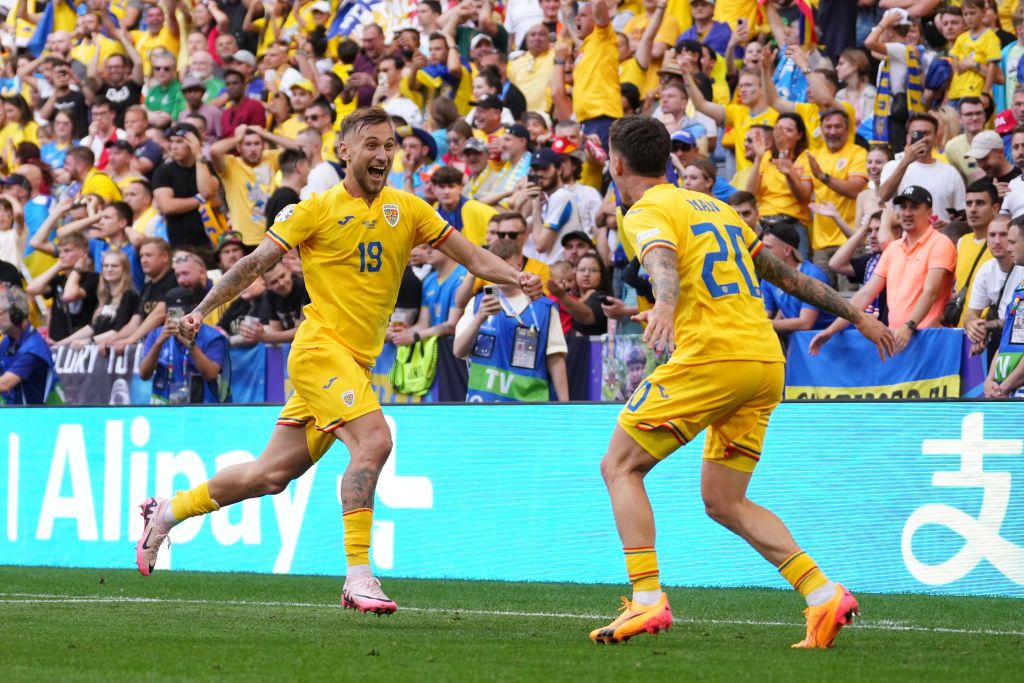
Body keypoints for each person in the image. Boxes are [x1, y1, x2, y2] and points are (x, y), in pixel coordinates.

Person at [133, 107, 543, 616]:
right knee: (374, 441)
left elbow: (476, 258)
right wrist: (200, 310)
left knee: (268, 476)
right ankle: (357, 576)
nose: (383, 154)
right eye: (371, 144)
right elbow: (252, 264)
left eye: (389, 144)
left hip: (354, 363)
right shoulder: (314, 210)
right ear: (344, 151)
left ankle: (167, 512)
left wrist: (514, 278)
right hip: (320, 352)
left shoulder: (409, 209)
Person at [589, 114, 894, 647]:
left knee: (619, 465)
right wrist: (859, 314)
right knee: (724, 499)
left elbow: (659, 256)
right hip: (764, 361)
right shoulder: (718, 207)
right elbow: (785, 275)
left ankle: (646, 599)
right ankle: (823, 595)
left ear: (616, 163)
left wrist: (663, 303)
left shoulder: (645, 209)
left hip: (715, 358)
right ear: (669, 160)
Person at [811, 186, 957, 355]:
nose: (907, 213)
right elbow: (865, 294)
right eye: (903, 207)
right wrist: (831, 330)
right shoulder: (893, 249)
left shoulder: (940, 243)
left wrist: (908, 326)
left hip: (929, 339)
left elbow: (931, 291)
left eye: (914, 207)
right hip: (898, 339)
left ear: (929, 212)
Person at [453, 237, 568, 401]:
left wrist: (566, 406)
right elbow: (458, 350)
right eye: (494, 267)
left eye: (505, 266)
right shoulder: (478, 302)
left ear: (519, 264)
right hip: (483, 405)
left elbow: (555, 360)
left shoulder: (545, 307)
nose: (499, 273)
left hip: (530, 408)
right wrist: (479, 318)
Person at [140, 286, 230, 405]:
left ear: (193, 310)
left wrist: (189, 343)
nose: (180, 320)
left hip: (203, 406)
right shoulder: (156, 334)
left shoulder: (212, 337)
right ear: (167, 313)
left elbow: (211, 374)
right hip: (164, 408)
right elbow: (144, 374)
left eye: (184, 313)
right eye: (174, 313)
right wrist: (159, 342)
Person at [879, 113, 967, 224]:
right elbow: (883, 196)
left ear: (936, 138)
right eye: (916, 134)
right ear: (907, 138)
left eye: (926, 133)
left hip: (940, 237)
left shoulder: (950, 172)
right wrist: (906, 161)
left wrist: (947, 226)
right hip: (904, 237)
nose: (922, 138)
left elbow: (961, 216)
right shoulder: (893, 166)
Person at [152, 122, 220, 253]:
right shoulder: (163, 171)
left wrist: (198, 155)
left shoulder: (207, 166)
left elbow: (206, 190)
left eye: (179, 142)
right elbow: (167, 206)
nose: (173, 147)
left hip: (213, 242)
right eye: (171, 142)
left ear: (194, 143)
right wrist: (199, 199)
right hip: (181, 245)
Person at [760, 221, 837, 334]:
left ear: (787, 250)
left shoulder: (812, 275)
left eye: (767, 248)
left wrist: (761, 324)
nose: (762, 253)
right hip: (799, 341)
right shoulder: (768, 278)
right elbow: (765, 313)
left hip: (829, 341)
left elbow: (805, 323)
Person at [53, 251, 140, 349]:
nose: (109, 269)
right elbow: (93, 327)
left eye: (114, 266)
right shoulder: (106, 295)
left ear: (124, 269)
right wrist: (61, 343)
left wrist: (89, 341)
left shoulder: (129, 294)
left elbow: (118, 330)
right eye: (105, 266)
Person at [965, 216, 1024, 358]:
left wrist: (986, 326)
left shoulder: (1021, 266)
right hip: (1005, 342)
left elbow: (1016, 322)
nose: (997, 241)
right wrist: (976, 331)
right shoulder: (986, 269)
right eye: (992, 235)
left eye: (1003, 235)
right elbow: (970, 315)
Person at [108, 237, 177, 354]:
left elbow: (160, 313)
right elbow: (135, 322)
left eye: (149, 255)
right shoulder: (147, 286)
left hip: (170, 348)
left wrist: (130, 340)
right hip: (149, 348)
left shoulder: (175, 279)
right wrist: (112, 340)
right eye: (141, 256)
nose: (143, 260)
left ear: (164, 257)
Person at [829, 210, 898, 325]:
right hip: (872, 329)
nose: (872, 236)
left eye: (878, 230)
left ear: (897, 232)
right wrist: (863, 229)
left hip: (896, 330)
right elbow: (835, 264)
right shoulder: (872, 261)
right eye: (870, 231)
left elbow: (888, 246)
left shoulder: (903, 257)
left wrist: (887, 217)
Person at [984, 217, 1024, 397]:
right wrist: (990, 380)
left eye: (1013, 242)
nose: (1008, 248)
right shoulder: (1020, 286)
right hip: (1008, 392)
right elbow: (1006, 341)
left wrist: (1005, 386)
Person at [0, 287, 61, 405]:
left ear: (15, 315)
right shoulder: (8, 341)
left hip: (38, 417)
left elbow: (4, 384)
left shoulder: (33, 350)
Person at [431, 166, 498, 246]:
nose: (446, 191)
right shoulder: (434, 211)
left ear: (460, 188)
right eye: (442, 187)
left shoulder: (475, 208)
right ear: (433, 189)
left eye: (451, 186)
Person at [548, 250, 609, 336]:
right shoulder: (565, 295)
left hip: (592, 347)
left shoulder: (600, 297)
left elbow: (587, 316)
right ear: (575, 273)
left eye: (593, 270)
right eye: (582, 270)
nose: (586, 274)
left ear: (602, 274)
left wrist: (562, 295)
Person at [265, 149, 311, 231]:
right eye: (307, 165)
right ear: (299, 167)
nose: (309, 170)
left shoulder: (280, 196)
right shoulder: (286, 199)